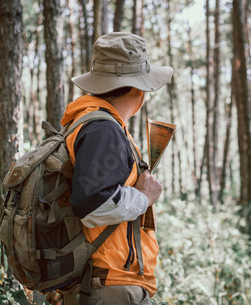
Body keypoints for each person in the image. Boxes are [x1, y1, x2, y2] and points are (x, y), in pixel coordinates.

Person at [60, 32, 173, 304]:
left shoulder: (97, 124)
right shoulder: (103, 129)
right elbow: (92, 205)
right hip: (110, 288)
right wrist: (145, 197)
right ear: (138, 90)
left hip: (104, 284)